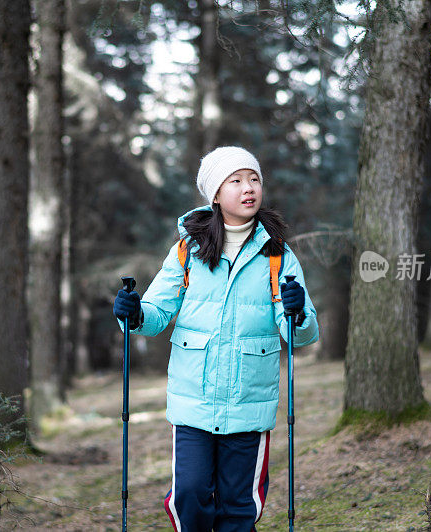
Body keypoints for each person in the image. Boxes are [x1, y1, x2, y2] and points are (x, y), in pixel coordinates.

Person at [113, 146, 319, 531]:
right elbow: (156, 314)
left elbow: (301, 334)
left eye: (254, 179)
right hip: (193, 404)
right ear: (216, 194)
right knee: (188, 494)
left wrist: (298, 310)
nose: (249, 188)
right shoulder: (187, 251)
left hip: (249, 405)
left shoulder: (278, 255)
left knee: (239, 506)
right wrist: (135, 313)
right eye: (236, 180)